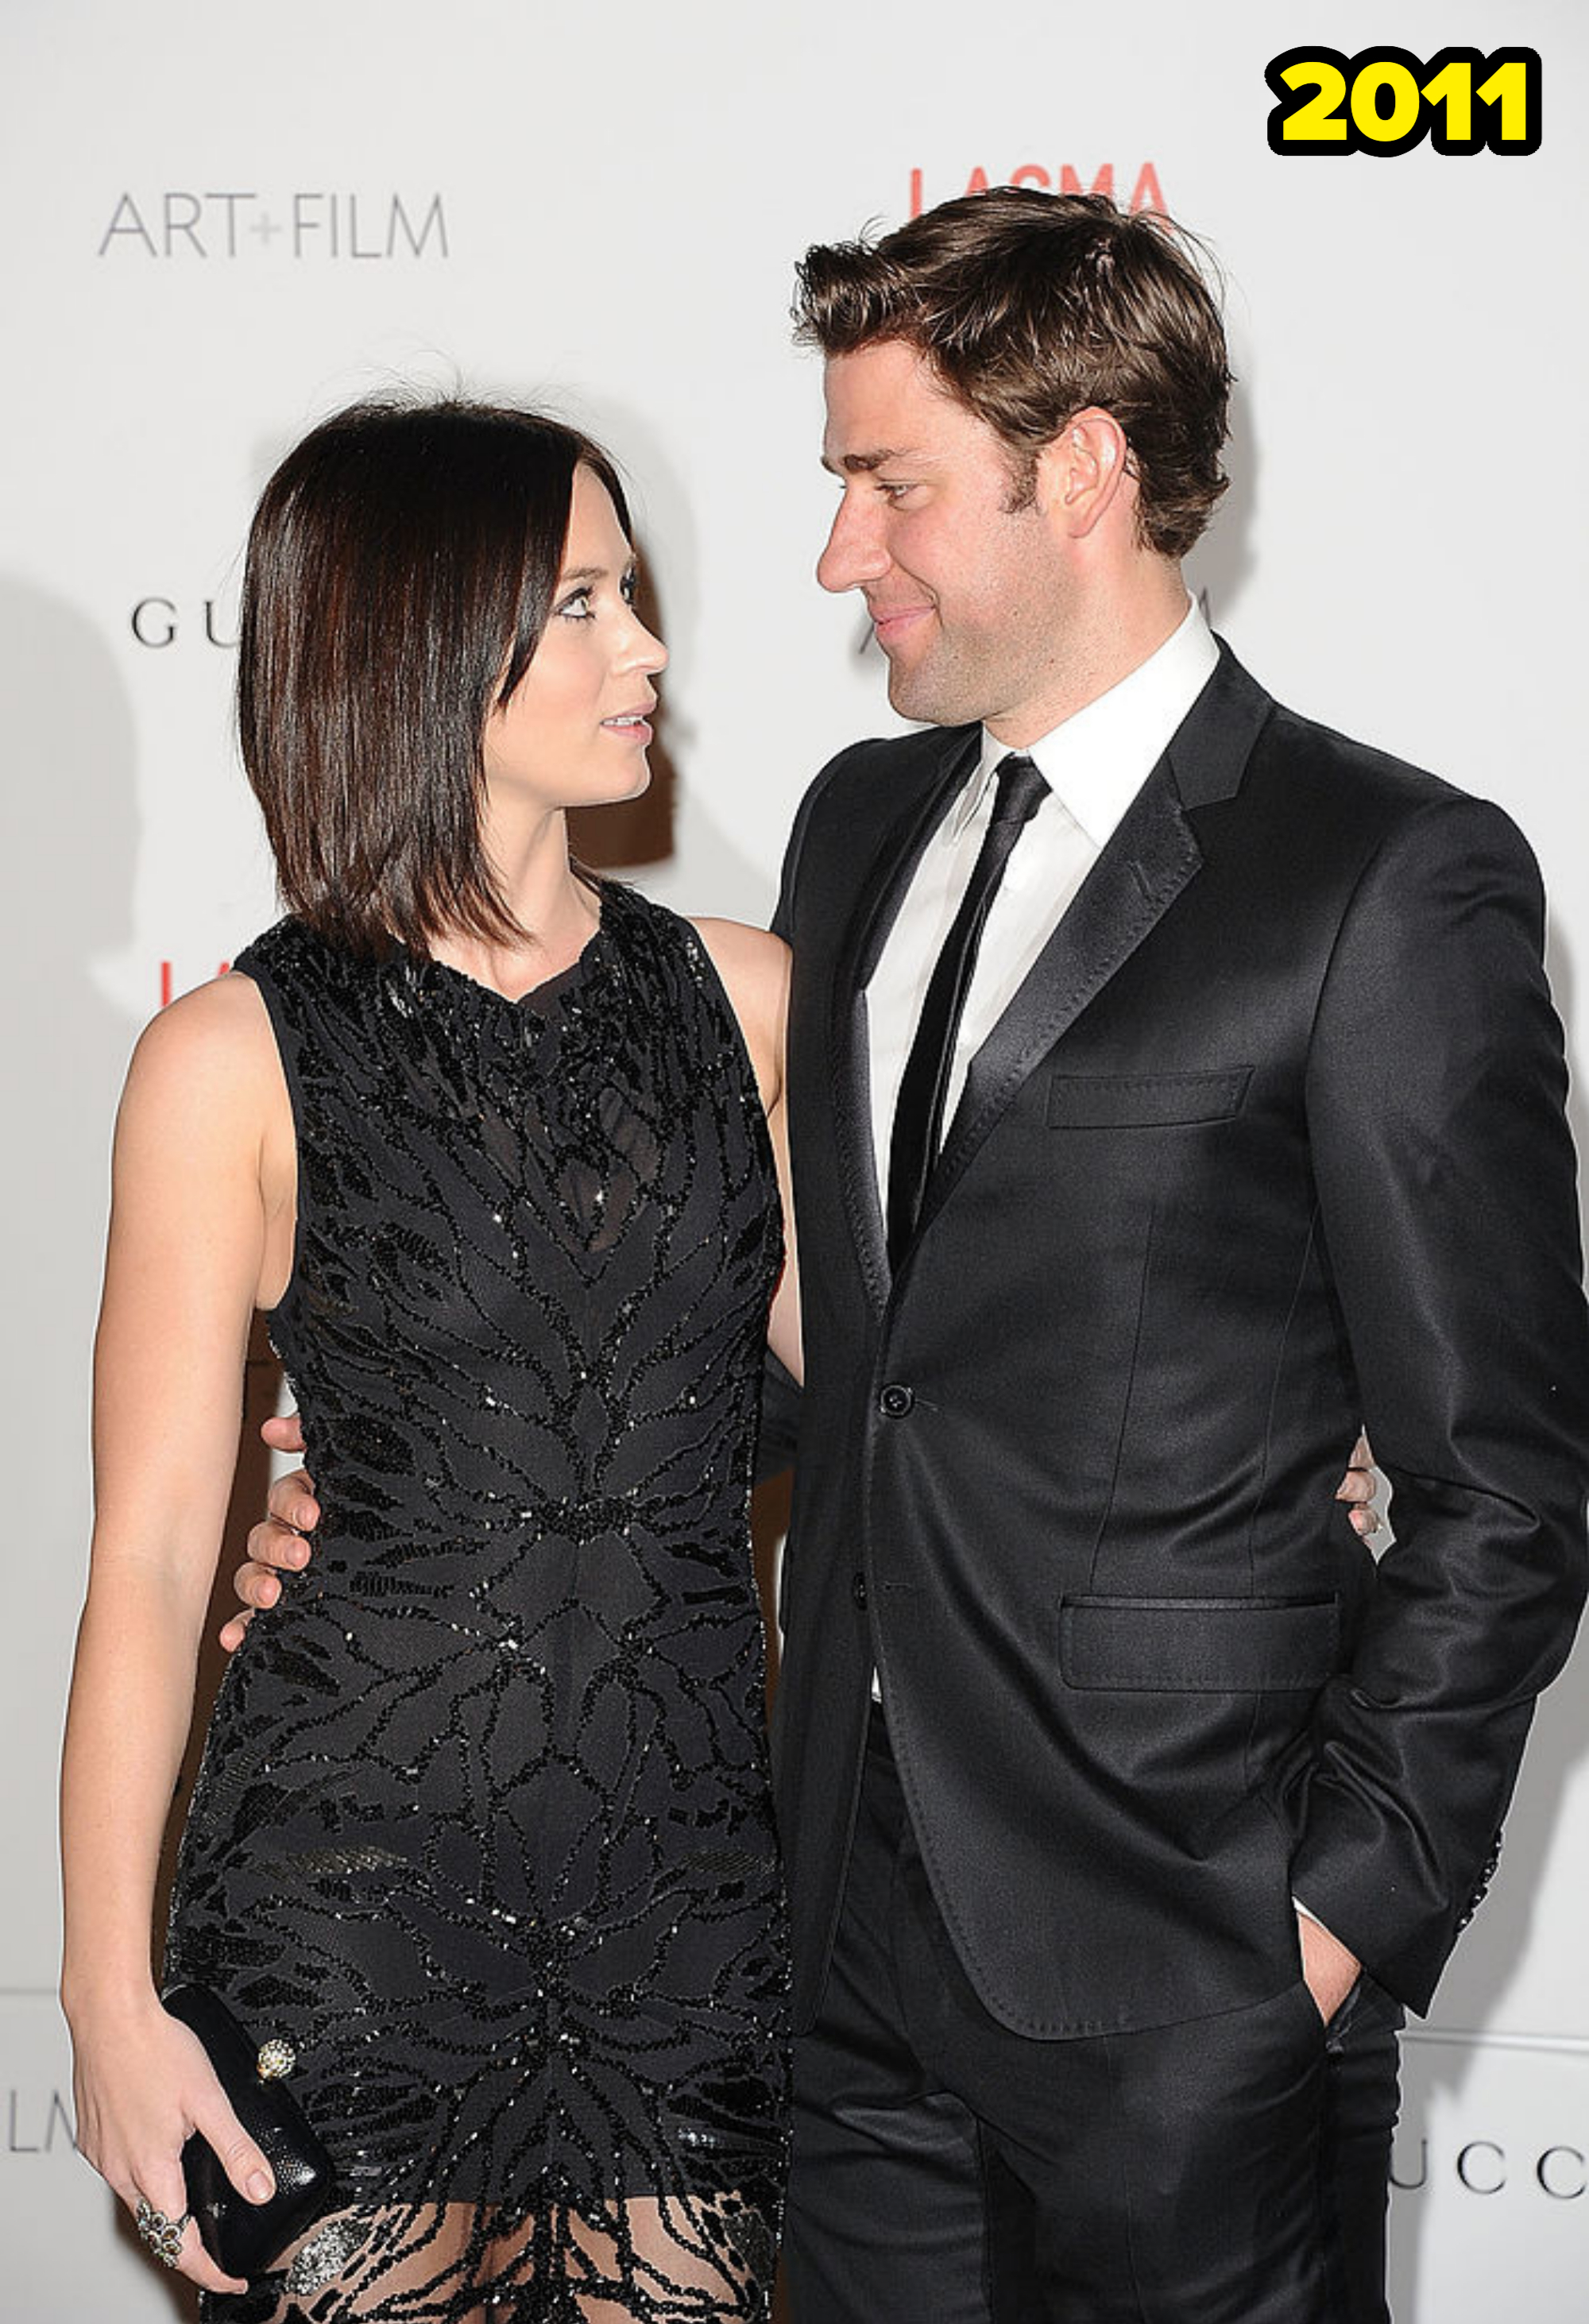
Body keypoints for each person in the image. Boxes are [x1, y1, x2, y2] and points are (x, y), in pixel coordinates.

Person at [227, 189, 1579, 2322]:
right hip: (834, 1943)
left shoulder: (1382, 876)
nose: (838, 554)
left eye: (889, 485)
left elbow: (1505, 1478)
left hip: (1185, 1961)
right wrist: (424, 1492)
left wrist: (1326, 1917)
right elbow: (844, 1354)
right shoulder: (862, 826)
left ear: (1087, 472)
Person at [60, 399, 798, 2322]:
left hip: (694, 1903)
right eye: (577, 601)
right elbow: (144, 1556)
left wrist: (1258, 1434)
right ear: (416, 637)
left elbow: (910, 1398)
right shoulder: (224, 1057)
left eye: (631, 593)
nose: (645, 652)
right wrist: (107, 1998)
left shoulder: (751, 999)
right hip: (347, 1908)